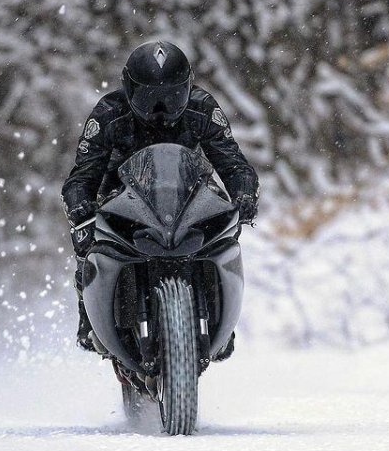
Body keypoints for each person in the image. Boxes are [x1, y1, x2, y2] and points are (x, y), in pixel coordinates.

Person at [61, 40, 260, 351]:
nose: (161, 110)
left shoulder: (203, 108)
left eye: (171, 97)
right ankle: (88, 318)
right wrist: (80, 207)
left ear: (187, 88)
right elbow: (82, 175)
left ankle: (220, 310)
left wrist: (244, 195)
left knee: (225, 225)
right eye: (150, 98)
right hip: (122, 195)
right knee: (85, 238)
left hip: (187, 193)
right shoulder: (108, 114)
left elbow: (233, 163)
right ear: (129, 89)